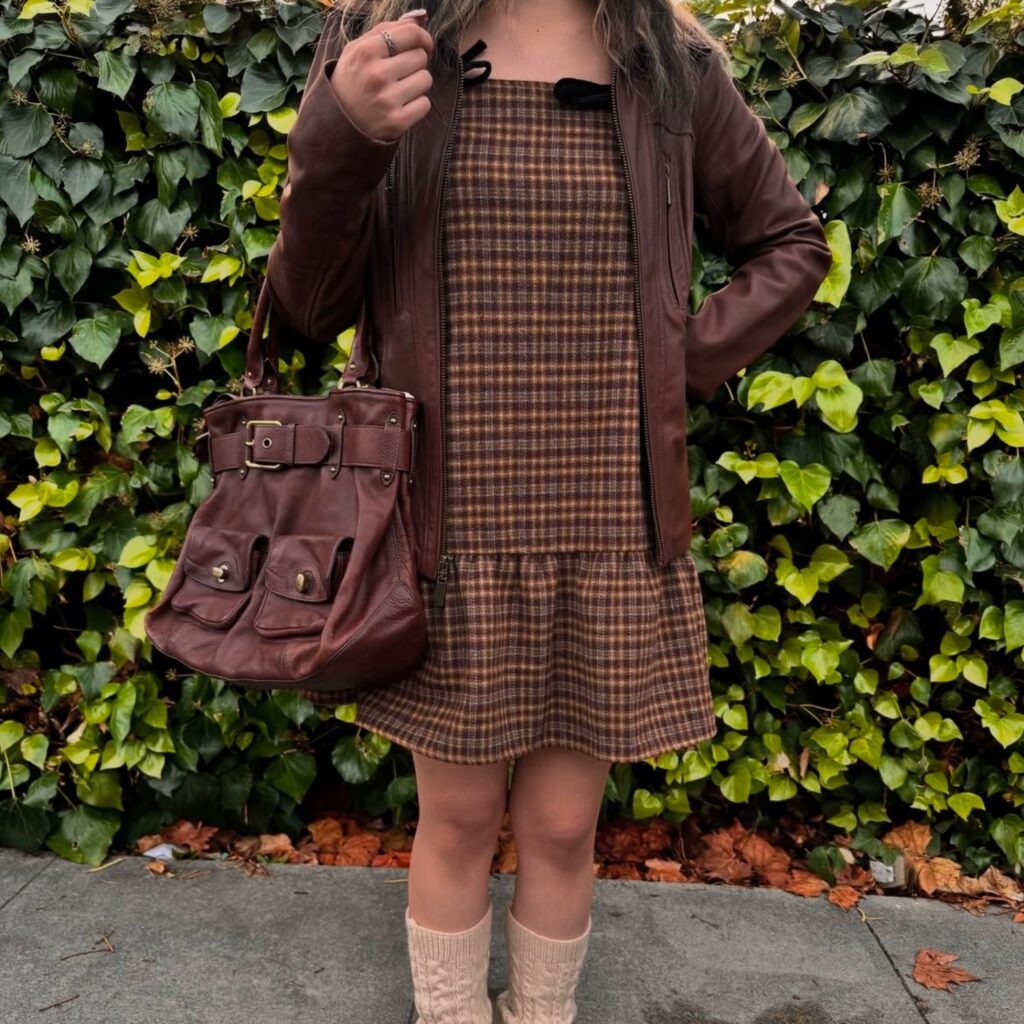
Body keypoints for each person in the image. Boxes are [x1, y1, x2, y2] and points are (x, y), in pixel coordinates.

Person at [266, 1, 834, 1020]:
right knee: (457, 818)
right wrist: (340, 135)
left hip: (608, 509)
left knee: (567, 827)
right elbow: (307, 306)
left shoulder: (670, 60)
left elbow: (789, 242)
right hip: (447, 512)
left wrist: (676, 363)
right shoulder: (387, 36)